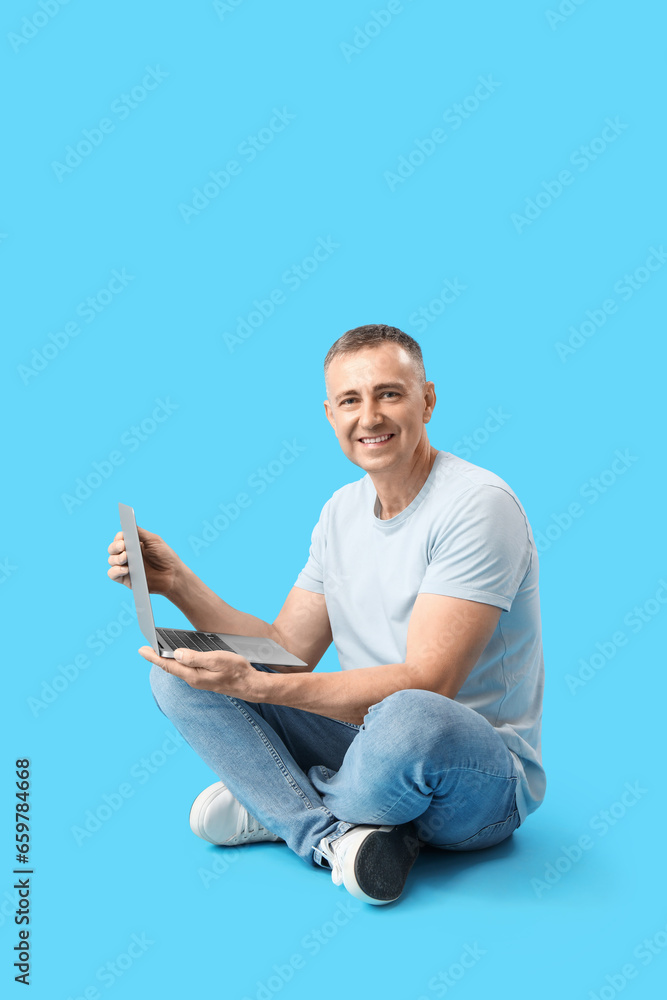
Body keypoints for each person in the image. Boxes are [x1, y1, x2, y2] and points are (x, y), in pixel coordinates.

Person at [107, 324, 545, 906]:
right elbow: (285, 651)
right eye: (350, 400)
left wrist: (260, 692)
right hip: (367, 744)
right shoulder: (340, 512)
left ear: (428, 400)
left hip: (475, 776)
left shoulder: (477, 506)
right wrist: (178, 585)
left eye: (389, 393)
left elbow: (430, 684)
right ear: (330, 413)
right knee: (177, 671)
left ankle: (283, 804)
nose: (370, 416)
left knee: (411, 715)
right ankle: (334, 838)